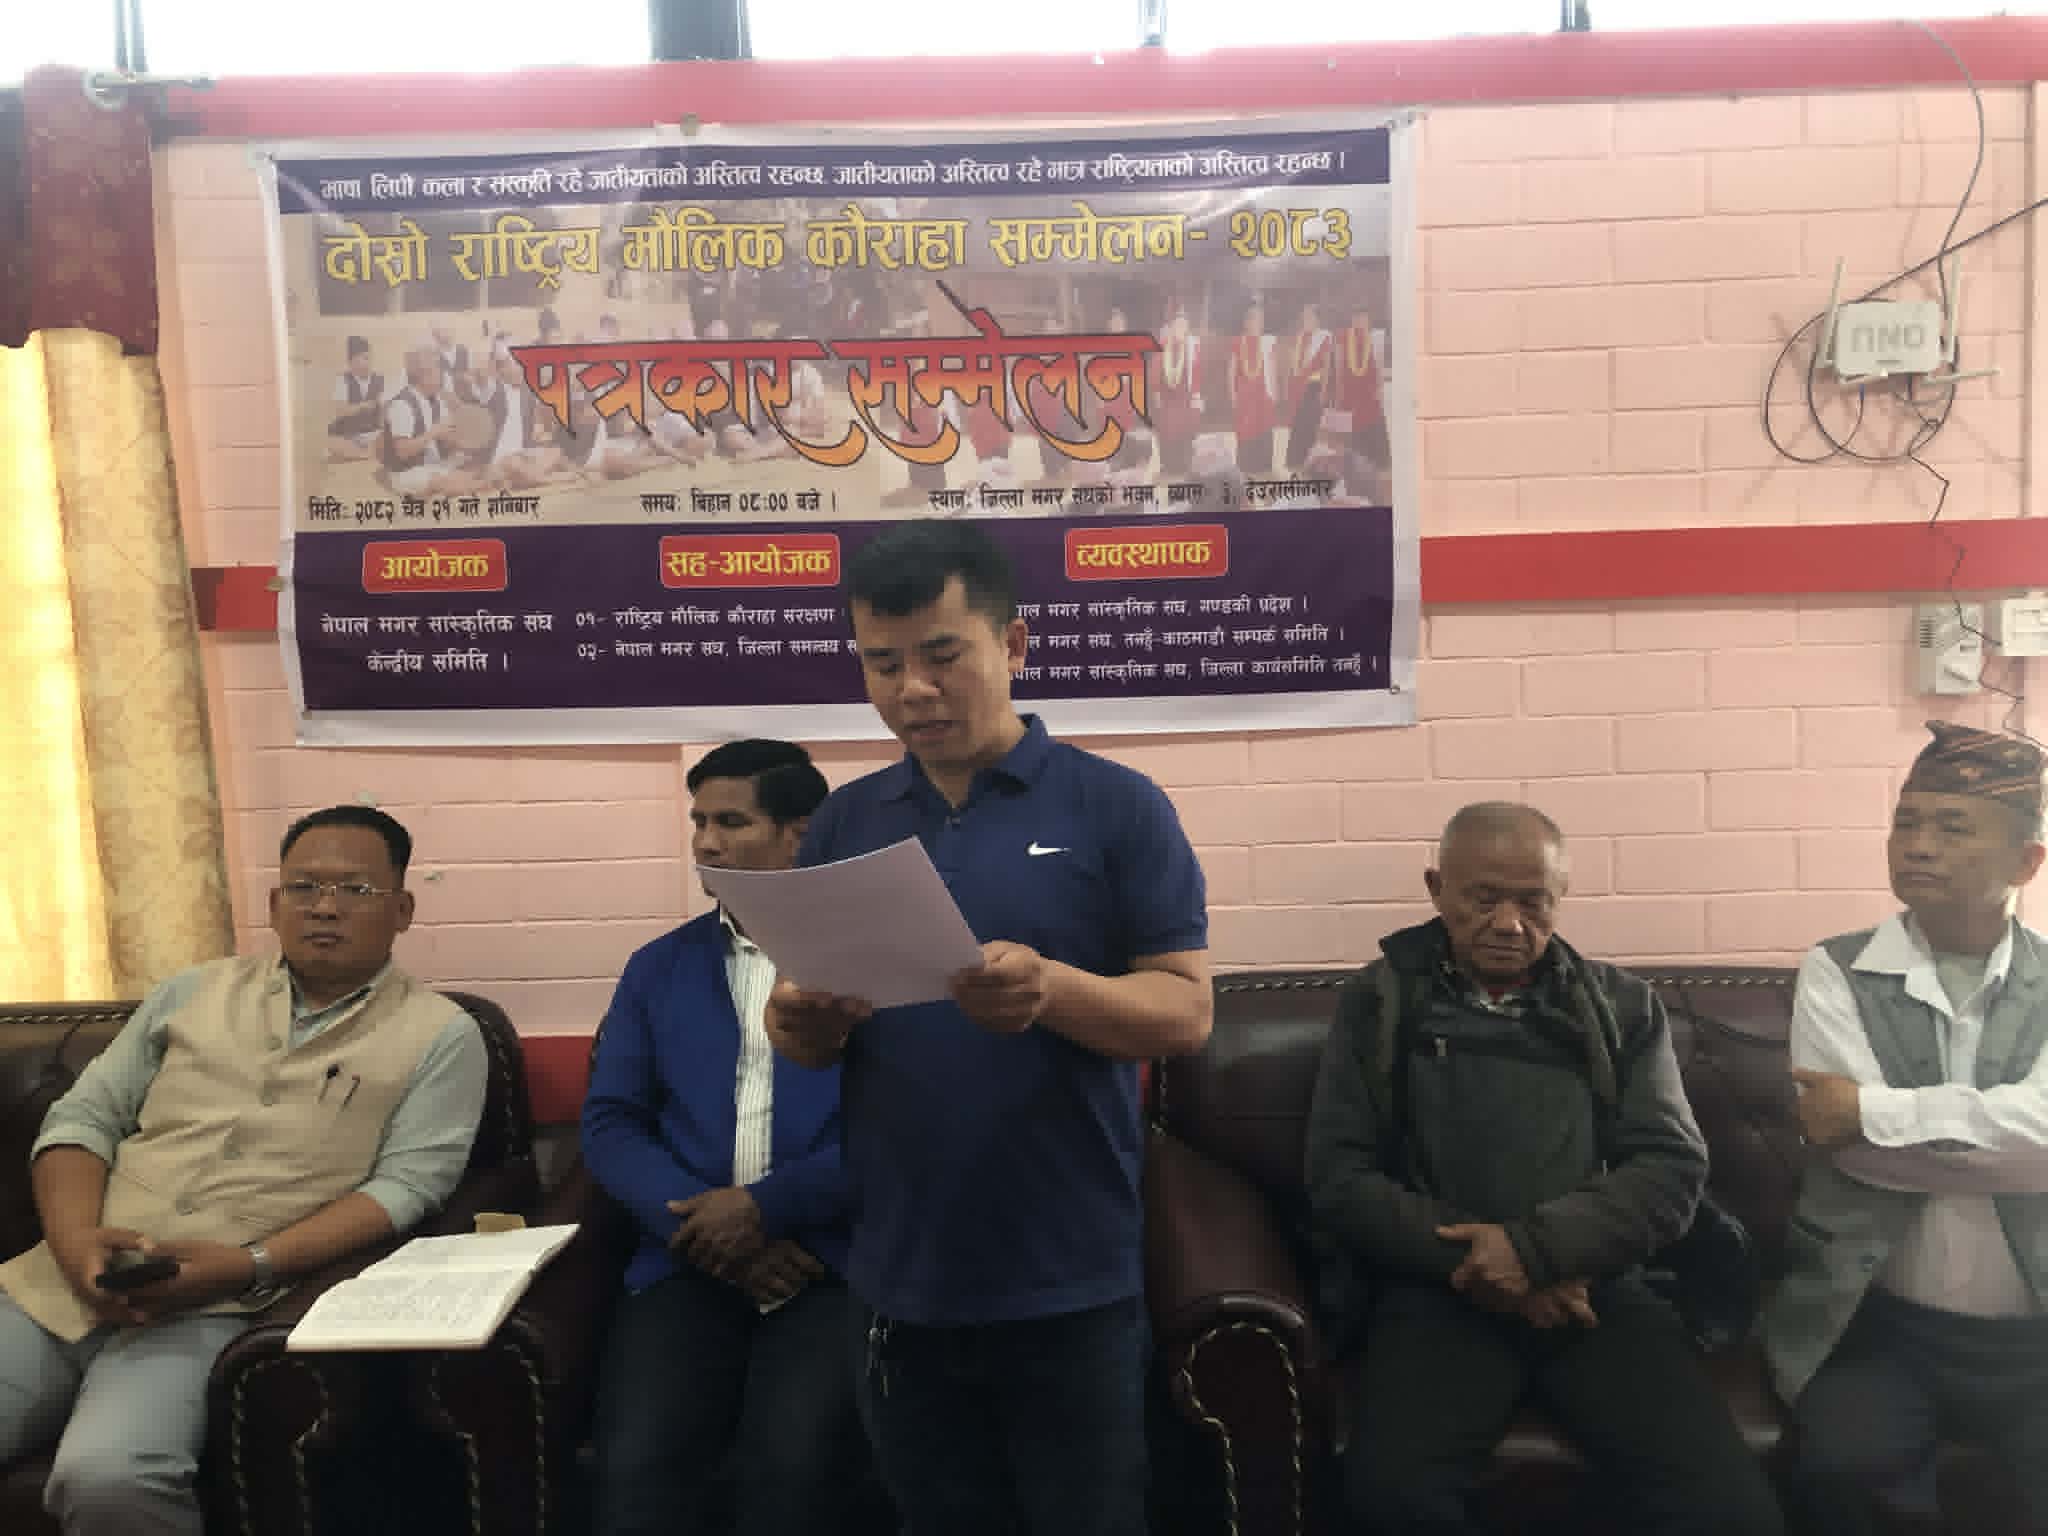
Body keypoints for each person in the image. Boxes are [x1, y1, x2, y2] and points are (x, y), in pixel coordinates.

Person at [765, 519, 1211, 1536]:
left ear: (1012, 645)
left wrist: (1051, 990)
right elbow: (808, 1040)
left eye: (941, 655)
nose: (912, 690)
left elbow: (1186, 1013)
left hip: (1068, 1276)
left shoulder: (1117, 807)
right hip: (898, 1276)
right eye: (882, 664)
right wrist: (797, 1020)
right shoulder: (846, 821)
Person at [0, 806, 488, 1536]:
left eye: (355, 889)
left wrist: (248, 1264)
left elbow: (408, 1187)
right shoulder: (189, 993)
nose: (324, 907)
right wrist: (74, 1244)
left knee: (108, 1477)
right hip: (58, 1286)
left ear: (402, 910)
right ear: (274, 903)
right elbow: (83, 1119)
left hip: (221, 1308)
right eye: (303, 887)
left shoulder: (443, 1035)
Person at [1306, 802, 1783, 1536]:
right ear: (1437, 889)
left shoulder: (1622, 1005)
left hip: (1593, 1288)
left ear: (1561, 897)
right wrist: (1491, 1265)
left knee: (1732, 1513)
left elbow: (1671, 1167)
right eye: (1483, 898)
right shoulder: (1378, 1001)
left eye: (1533, 902)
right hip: (1438, 1290)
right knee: (1389, 1500)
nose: (1508, 924)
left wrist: (1534, 1254)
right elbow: (1340, 1178)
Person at [1767, 722, 2048, 1536]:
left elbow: (1857, 1127)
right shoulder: (1836, 969)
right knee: (1846, 1478)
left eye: (1952, 827)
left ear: (2027, 861)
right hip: (1875, 1325)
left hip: (2036, 1334)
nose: (1917, 845)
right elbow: (1856, 1157)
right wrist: (2006, 1136)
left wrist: (1871, 1111)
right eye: (1906, 822)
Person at [583, 740, 867, 1536]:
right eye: (698, 821)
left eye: (731, 822)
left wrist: (767, 1210)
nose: (705, 842)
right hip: (687, 1257)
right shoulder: (659, 967)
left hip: (831, 1262)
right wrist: (708, 1227)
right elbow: (610, 1123)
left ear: (800, 834)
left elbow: (906, 1127)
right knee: (637, 1470)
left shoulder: (871, 960)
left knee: (794, 1472)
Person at [381, 347, 478, 498]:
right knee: (448, 481)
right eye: (438, 370)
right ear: (424, 375)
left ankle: (467, 483)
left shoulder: (436, 400)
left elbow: (446, 440)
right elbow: (402, 451)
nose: (442, 375)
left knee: (475, 465)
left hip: (433, 464)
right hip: (406, 472)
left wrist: (454, 439)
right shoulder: (402, 405)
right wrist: (433, 433)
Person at [1229, 298, 1278, 476]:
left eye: (1261, 320)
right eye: (1255, 319)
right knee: (1245, 429)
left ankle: (1263, 465)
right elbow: (1231, 370)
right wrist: (1232, 394)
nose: (1259, 323)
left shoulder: (1268, 342)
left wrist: (1275, 392)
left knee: (1264, 426)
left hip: (1264, 394)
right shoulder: (1238, 341)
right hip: (1244, 394)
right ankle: (1246, 465)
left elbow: (1272, 368)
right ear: (1247, 322)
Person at [1283, 301, 1331, 474]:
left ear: (1317, 319)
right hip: (1297, 386)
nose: (1305, 319)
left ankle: (1308, 461)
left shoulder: (1324, 337)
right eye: (1304, 316)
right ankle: (1294, 459)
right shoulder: (1299, 337)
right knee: (1296, 424)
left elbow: (1326, 366)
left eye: (1309, 316)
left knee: (1309, 425)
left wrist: (1324, 390)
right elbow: (1293, 364)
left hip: (1313, 386)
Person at [327, 334, 387, 460]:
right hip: (349, 435)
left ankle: (363, 453)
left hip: (373, 434)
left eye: (370, 358)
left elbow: (384, 413)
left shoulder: (380, 380)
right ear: (351, 362)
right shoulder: (343, 380)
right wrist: (362, 406)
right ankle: (363, 453)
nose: (369, 362)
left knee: (389, 438)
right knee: (333, 443)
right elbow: (340, 411)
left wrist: (383, 414)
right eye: (365, 358)